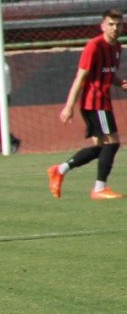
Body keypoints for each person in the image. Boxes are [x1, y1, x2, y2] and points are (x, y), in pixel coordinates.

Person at [48, 11, 125, 199]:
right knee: (113, 142)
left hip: (102, 102)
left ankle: (60, 170)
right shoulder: (94, 46)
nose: (115, 28)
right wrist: (69, 106)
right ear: (103, 26)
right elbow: (80, 77)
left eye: (118, 24)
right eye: (111, 24)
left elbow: (107, 73)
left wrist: (121, 82)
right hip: (94, 102)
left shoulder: (117, 47)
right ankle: (99, 188)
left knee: (100, 148)